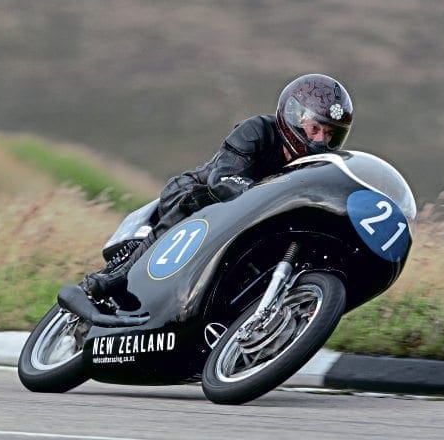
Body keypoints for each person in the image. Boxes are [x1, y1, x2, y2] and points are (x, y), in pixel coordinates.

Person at [80, 73, 354, 302]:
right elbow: (223, 177)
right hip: (195, 191)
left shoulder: (311, 167)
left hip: (246, 218)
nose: (320, 140)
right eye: (315, 128)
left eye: (330, 134)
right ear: (295, 116)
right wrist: (261, 196)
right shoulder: (257, 130)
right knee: (195, 199)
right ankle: (116, 277)